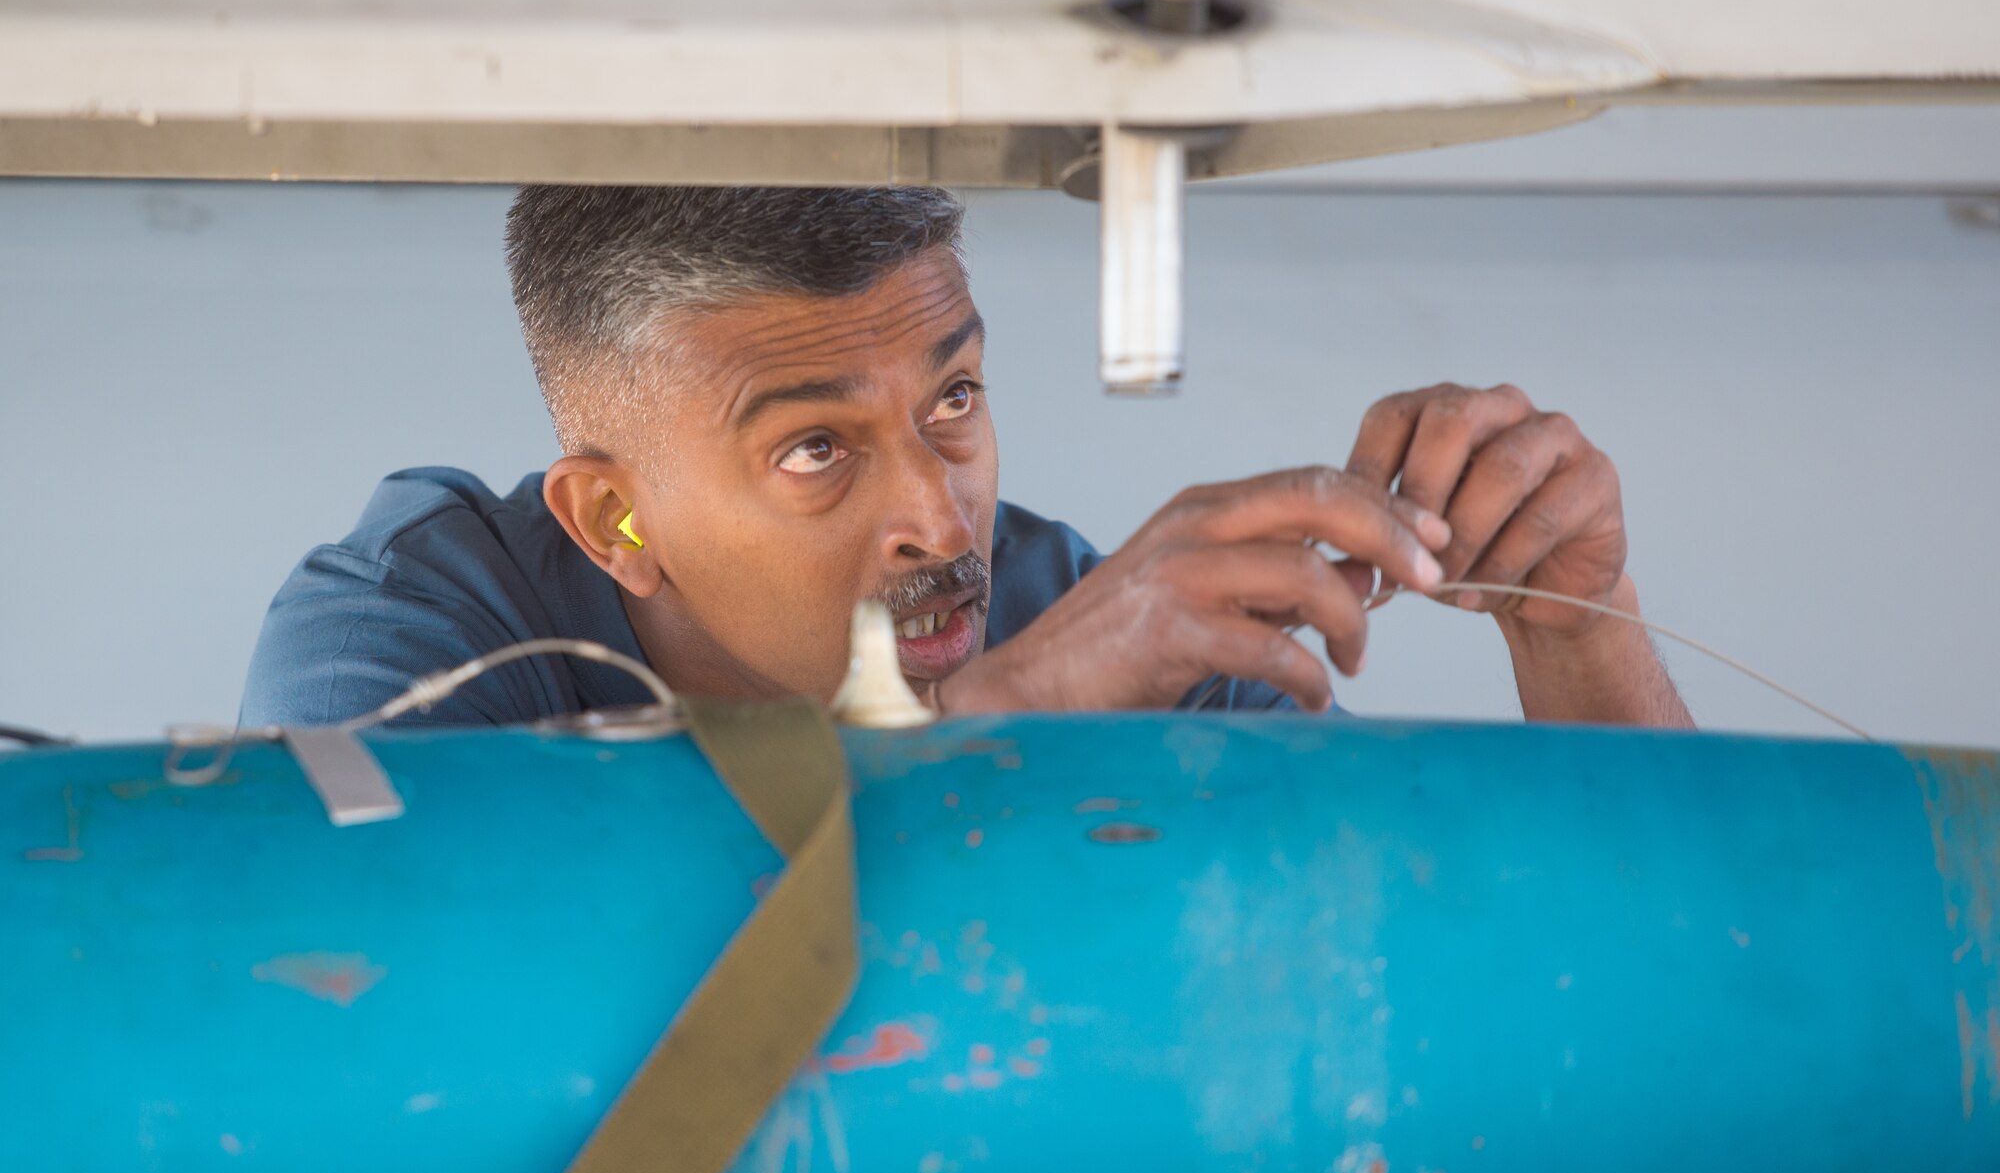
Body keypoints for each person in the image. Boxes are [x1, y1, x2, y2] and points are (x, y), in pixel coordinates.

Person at [241, 186, 1691, 730]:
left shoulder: (1129, 635)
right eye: (817, 448)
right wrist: (1010, 710)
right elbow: (395, 1027)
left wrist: (1582, 638)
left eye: (955, 402)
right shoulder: (398, 640)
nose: (940, 519)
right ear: (616, 519)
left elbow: (1664, 1000)